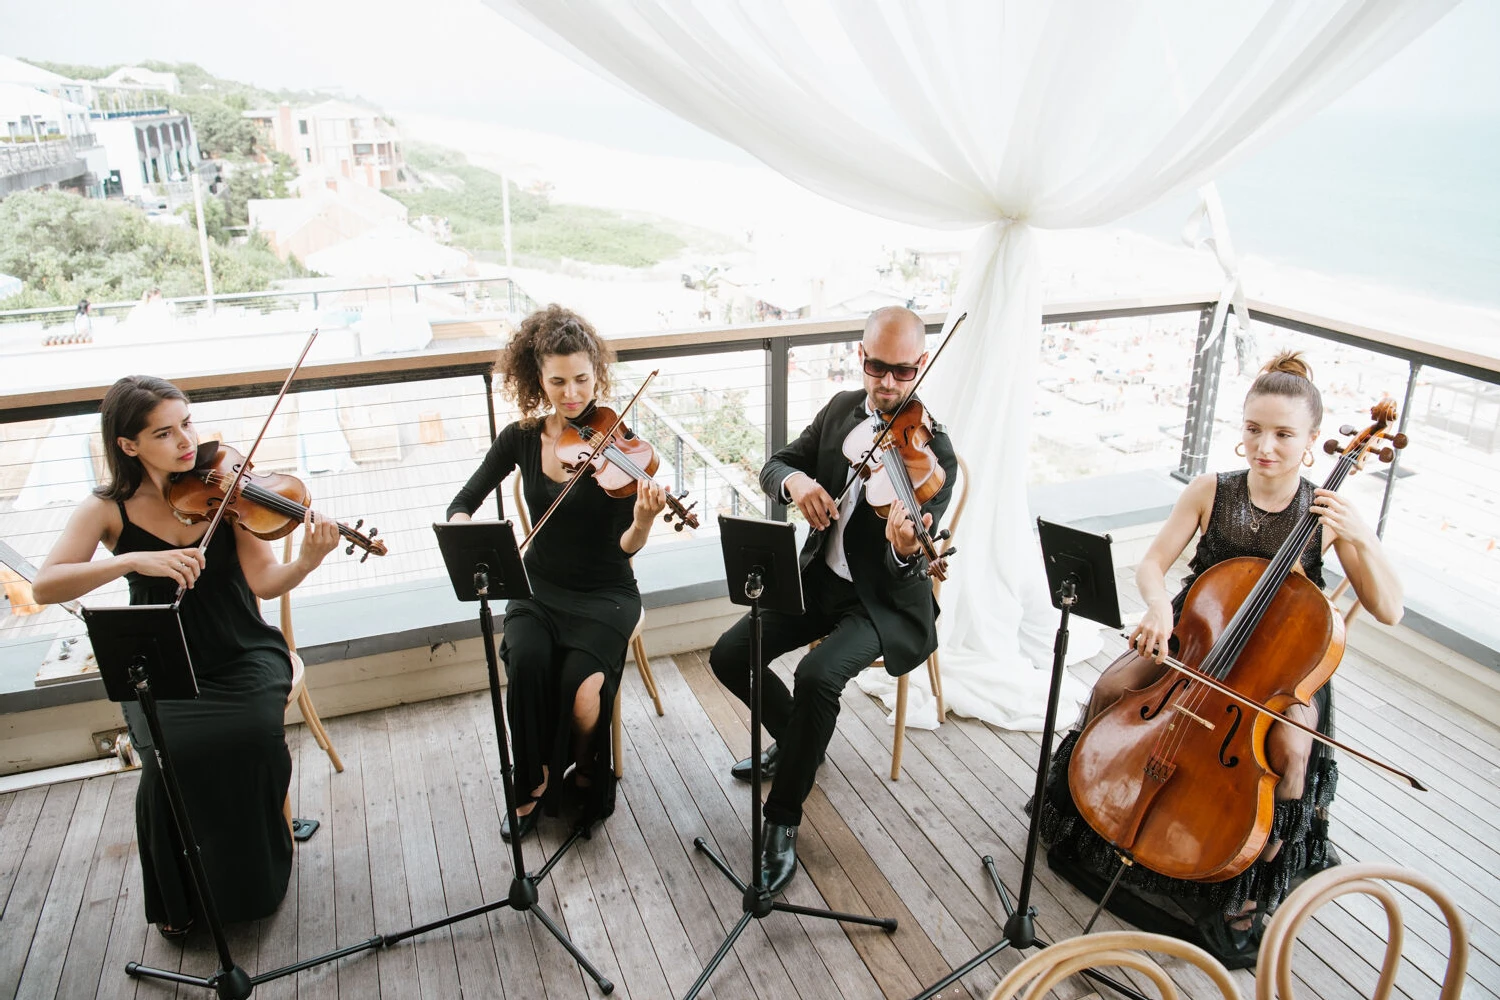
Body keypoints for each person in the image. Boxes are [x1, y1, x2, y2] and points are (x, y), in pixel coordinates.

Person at [1039, 351, 1404, 966]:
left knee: (1291, 748)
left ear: (1313, 442)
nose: (1265, 446)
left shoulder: (1325, 515)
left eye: (1284, 435)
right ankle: (1091, 806)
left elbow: (1390, 609)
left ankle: (1251, 877)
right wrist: (1157, 609)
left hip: (1275, 668)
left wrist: (1361, 535)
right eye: (1254, 429)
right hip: (1196, 638)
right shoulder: (1212, 489)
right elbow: (1153, 563)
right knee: (1110, 688)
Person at [32, 376, 341, 937]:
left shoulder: (225, 485)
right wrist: (130, 564)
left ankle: (256, 875)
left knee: (251, 739)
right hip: (159, 658)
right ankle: (184, 898)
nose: (185, 441)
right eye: (164, 432)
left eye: (187, 423)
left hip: (243, 649)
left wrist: (307, 564)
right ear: (129, 445)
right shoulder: (107, 508)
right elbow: (47, 585)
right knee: (169, 763)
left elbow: (267, 582)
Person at [708, 306, 958, 895]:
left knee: (819, 675)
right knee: (727, 654)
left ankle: (783, 820)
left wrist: (903, 548)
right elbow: (776, 464)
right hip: (819, 580)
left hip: (883, 603)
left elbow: (910, 562)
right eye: (878, 367)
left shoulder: (933, 454)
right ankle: (800, 745)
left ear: (921, 365)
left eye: (903, 371)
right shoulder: (842, 407)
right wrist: (795, 483)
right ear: (861, 358)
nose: (889, 384)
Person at [446, 305, 666, 841]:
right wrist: (463, 533)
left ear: (598, 375)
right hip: (537, 584)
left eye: (583, 380)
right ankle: (533, 782)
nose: (573, 394)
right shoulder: (521, 437)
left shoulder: (620, 445)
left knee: (583, 690)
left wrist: (643, 518)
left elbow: (627, 546)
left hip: (606, 591)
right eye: (559, 381)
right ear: (537, 379)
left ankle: (584, 766)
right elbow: (465, 499)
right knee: (526, 661)